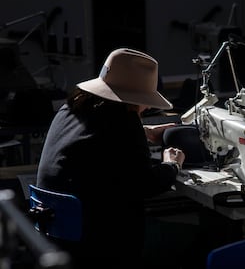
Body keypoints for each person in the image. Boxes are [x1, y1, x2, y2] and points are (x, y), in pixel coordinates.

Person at [36, 48, 207, 268]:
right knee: (198, 238)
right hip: (100, 243)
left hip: (58, 233)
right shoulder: (124, 122)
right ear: (135, 98)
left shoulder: (72, 107)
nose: (146, 108)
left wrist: (144, 132)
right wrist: (172, 164)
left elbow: (93, 139)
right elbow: (147, 184)